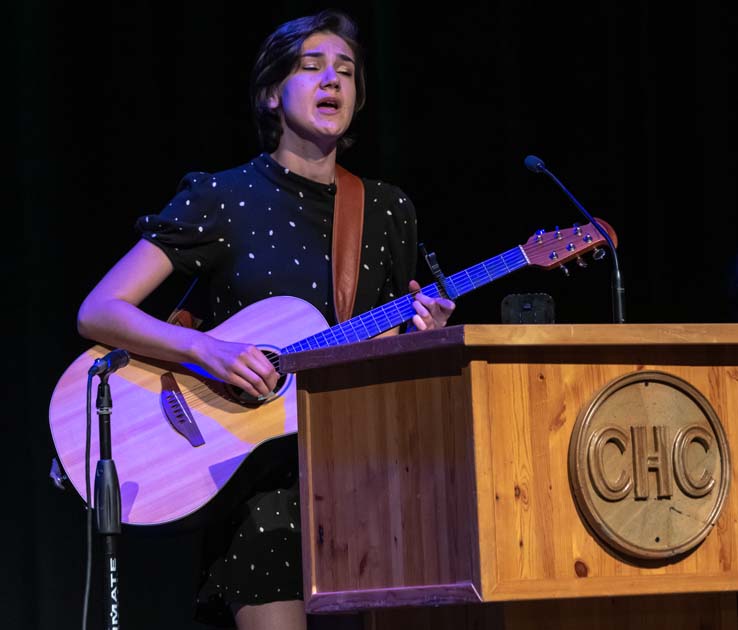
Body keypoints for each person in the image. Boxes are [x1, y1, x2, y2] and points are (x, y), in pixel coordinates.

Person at [76, 9, 455, 630]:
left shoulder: (388, 209)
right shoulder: (222, 197)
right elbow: (100, 310)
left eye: (346, 72)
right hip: (264, 487)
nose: (332, 81)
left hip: (369, 474)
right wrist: (205, 350)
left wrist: (426, 338)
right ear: (270, 93)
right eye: (311, 67)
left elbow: (382, 350)